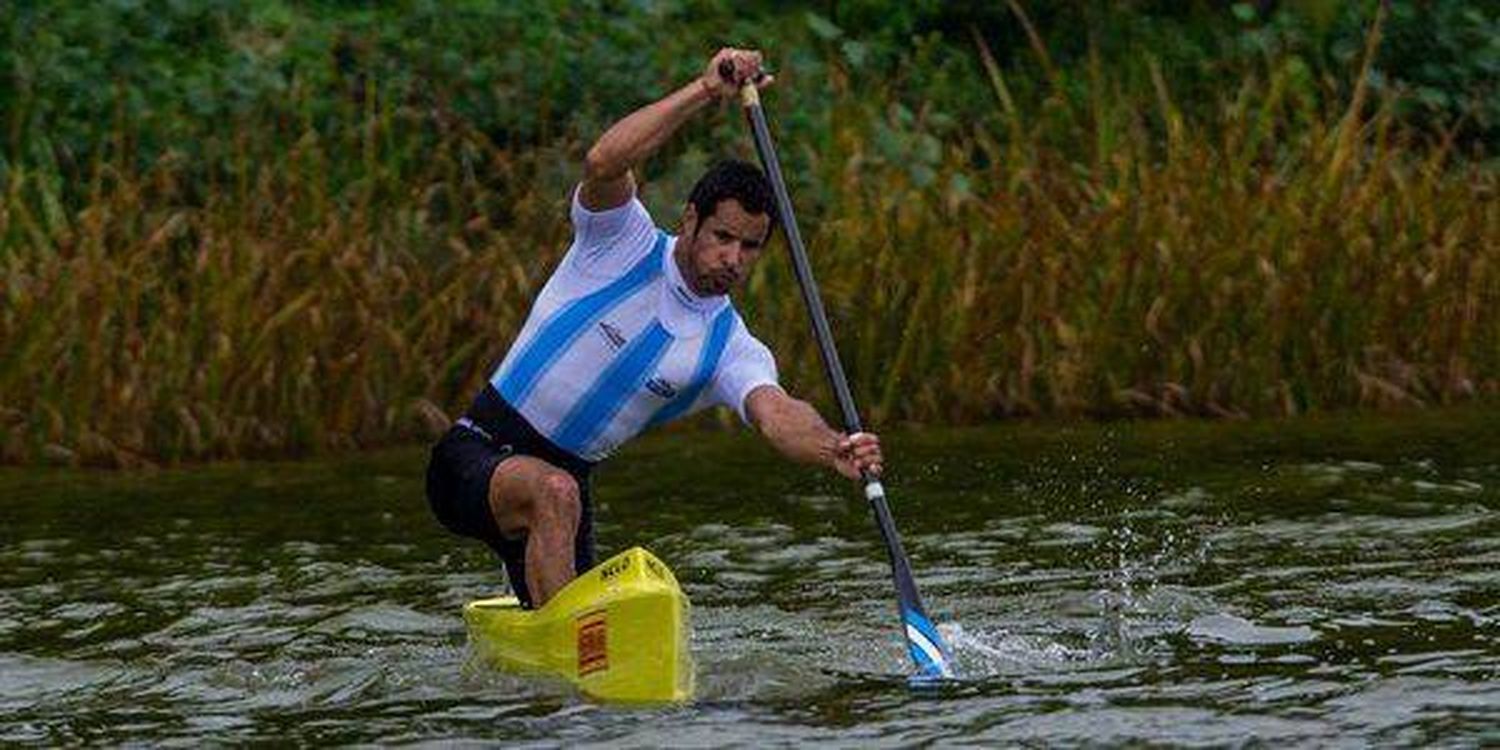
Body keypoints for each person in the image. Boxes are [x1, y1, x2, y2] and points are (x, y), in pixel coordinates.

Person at [425, 48, 883, 607]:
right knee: (555, 493)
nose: (733, 258)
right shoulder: (620, 242)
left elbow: (776, 414)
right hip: (474, 452)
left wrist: (833, 445)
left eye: (750, 247)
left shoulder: (729, 347)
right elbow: (603, 161)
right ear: (690, 219)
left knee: (573, 554)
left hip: (567, 495)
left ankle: (546, 659)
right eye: (722, 237)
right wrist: (704, 90)